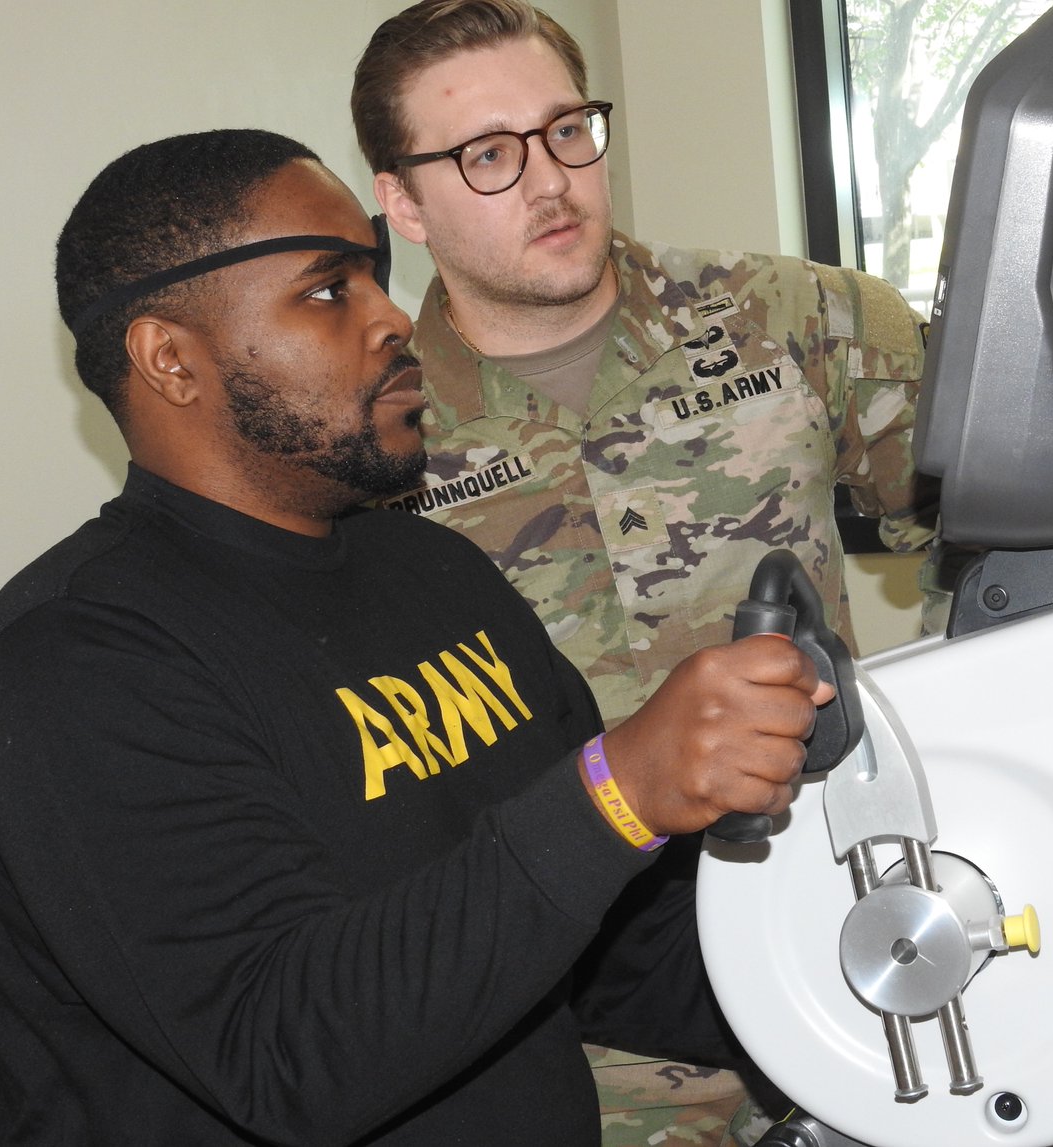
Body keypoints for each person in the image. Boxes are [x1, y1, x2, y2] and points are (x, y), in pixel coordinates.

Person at [0, 128, 834, 1145]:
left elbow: (604, 951)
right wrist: (615, 792)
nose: (394, 316)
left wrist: (861, 987)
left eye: (374, 274)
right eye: (327, 289)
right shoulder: (70, 663)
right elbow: (284, 1054)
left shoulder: (436, 572)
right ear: (171, 359)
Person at [350, 3, 939, 1143]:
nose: (550, 179)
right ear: (404, 203)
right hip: (573, 1050)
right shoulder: (370, 440)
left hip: (860, 952)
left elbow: (999, 541)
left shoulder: (799, 319)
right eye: (488, 155)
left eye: (568, 130)